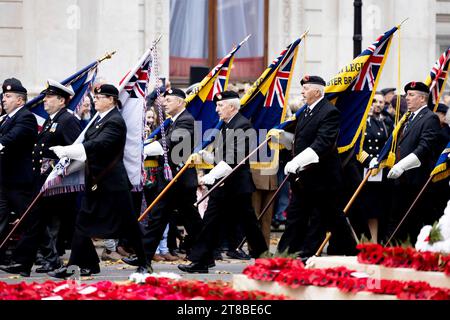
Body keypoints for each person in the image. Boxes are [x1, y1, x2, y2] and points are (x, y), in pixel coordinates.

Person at [47, 84, 151, 278]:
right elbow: (89, 144)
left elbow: (99, 144)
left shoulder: (115, 121)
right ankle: (79, 265)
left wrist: (67, 150)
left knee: (129, 225)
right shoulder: (98, 121)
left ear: (111, 99)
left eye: (99, 97)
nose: (95, 100)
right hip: (94, 181)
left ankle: (145, 263)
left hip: (113, 183)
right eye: (95, 97)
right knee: (82, 223)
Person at [178, 91, 268, 273]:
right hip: (223, 184)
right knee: (210, 222)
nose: (217, 109)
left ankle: (264, 259)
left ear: (232, 107)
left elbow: (234, 158)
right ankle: (201, 261)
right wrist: (207, 157)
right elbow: (222, 157)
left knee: (249, 224)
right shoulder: (226, 125)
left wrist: (210, 176)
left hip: (237, 185)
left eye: (220, 105)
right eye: (217, 105)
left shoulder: (242, 125)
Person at [0, 80, 81, 276]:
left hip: (56, 183)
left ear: (62, 100)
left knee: (73, 225)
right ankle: (26, 263)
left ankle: (77, 261)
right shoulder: (51, 120)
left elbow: (76, 150)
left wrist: (61, 176)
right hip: (38, 180)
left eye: (49, 97)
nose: (44, 100)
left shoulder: (66, 120)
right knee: (36, 222)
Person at [122, 88, 203, 267]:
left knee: (191, 221)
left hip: (180, 180)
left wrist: (141, 151)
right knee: (158, 218)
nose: (164, 103)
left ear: (180, 102)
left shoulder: (187, 121)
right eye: (164, 100)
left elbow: (170, 143)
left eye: (169, 100)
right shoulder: (173, 121)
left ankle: (204, 257)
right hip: (171, 180)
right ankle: (144, 257)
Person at [273, 75, 343, 259]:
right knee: (296, 216)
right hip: (304, 177)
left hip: (322, 176)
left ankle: (308, 256)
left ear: (317, 91)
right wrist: (283, 138)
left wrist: (296, 162)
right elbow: (301, 140)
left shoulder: (329, 112)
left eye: (306, 88)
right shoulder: (306, 111)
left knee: (320, 219)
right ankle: (284, 256)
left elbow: (322, 143)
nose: (302, 92)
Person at [383, 81, 442, 243]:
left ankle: (407, 256)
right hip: (403, 180)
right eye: (407, 95)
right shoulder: (408, 117)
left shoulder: (429, 118)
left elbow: (424, 148)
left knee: (411, 222)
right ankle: (393, 254)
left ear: (423, 99)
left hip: (417, 180)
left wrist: (402, 165)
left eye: (411, 95)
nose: (407, 98)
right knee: (396, 221)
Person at [0, 78, 37, 263]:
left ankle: (47, 256)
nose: (3, 99)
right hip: (5, 179)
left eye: (8, 96)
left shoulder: (25, 117)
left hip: (18, 180)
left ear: (20, 100)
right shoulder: (7, 119)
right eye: (3, 96)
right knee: (1, 218)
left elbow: (13, 137)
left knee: (29, 219)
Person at [357, 92, 394, 242]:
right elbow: (357, 146)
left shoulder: (385, 122)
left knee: (376, 207)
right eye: (374, 101)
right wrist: (368, 160)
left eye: (381, 102)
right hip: (363, 167)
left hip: (379, 170)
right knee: (363, 206)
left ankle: (374, 241)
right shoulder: (362, 121)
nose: (378, 104)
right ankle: (363, 240)